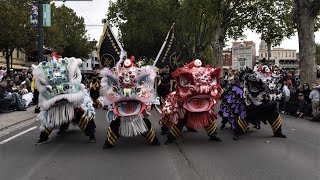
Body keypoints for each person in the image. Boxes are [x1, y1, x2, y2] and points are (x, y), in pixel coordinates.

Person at [33, 55, 96, 144]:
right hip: (54, 100)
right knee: (49, 118)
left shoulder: (72, 82)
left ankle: (91, 134)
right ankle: (44, 136)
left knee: (82, 114)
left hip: (71, 99)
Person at [101, 55, 160, 149]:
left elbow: (146, 84)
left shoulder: (138, 72)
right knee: (115, 121)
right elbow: (111, 87)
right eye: (125, 74)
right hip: (121, 100)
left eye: (129, 74)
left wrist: (141, 92)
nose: (127, 76)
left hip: (136, 100)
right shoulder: (118, 73)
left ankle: (152, 139)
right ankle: (109, 141)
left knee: (144, 120)